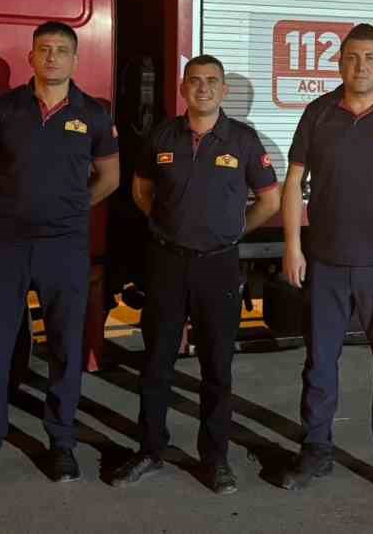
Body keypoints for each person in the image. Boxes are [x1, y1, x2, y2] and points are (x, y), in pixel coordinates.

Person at [279, 23, 373, 502]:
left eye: (369, 58)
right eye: (351, 57)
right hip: (325, 264)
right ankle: (316, 450)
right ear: (339, 62)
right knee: (320, 365)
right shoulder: (318, 114)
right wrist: (292, 246)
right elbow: (292, 184)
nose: (360, 65)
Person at [0, 21, 120, 487]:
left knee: (66, 349)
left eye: (61, 50)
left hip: (65, 246)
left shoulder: (92, 114)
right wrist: (12, 206)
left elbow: (109, 178)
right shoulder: (5, 109)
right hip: (7, 243)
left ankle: (62, 445)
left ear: (75, 59)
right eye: (44, 50)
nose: (52, 57)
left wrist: (71, 209)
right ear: (30, 57)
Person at [113, 55, 281, 494]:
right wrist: (167, 225)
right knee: (156, 361)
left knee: (216, 366)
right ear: (183, 89)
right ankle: (150, 449)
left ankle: (216, 459)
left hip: (218, 265)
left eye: (212, 81)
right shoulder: (162, 136)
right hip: (167, 262)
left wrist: (234, 230)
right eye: (195, 81)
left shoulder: (243, 140)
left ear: (224, 91)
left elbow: (270, 199)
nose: (203, 88)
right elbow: (140, 190)